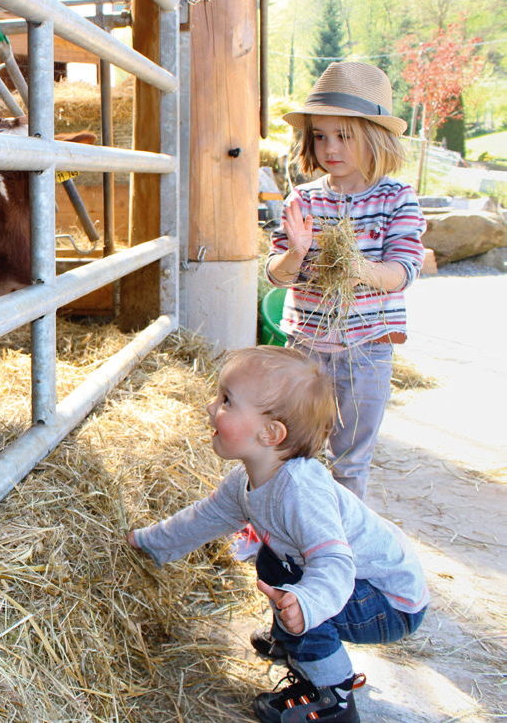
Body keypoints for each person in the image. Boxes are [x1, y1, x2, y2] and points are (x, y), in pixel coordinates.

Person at [127, 346, 429, 723]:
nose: (210, 408)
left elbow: (334, 564)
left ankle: (332, 695)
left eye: (225, 401)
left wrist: (306, 605)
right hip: (359, 584)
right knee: (274, 561)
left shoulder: (302, 493)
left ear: (270, 433)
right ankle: (294, 639)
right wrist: (148, 541)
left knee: (297, 590)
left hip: (389, 600)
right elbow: (207, 517)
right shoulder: (247, 481)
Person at [266, 61, 426, 498]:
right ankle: (281, 534)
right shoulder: (305, 198)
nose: (330, 148)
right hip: (305, 348)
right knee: (290, 448)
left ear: (373, 137)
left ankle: (339, 549)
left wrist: (362, 270)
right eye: (320, 136)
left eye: (344, 136)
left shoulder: (396, 198)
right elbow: (276, 275)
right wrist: (296, 252)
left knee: (349, 458)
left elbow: (405, 270)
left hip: (367, 351)